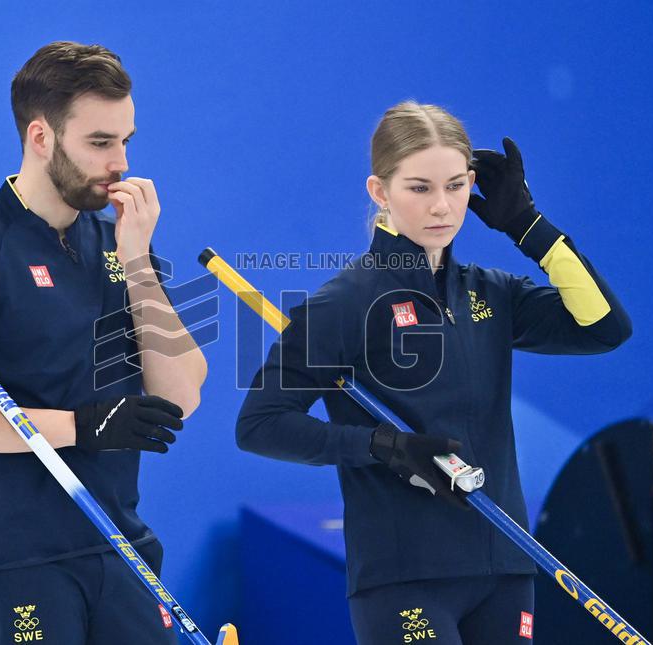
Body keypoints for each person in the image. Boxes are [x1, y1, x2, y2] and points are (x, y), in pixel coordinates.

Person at [235, 101, 631, 644]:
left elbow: (604, 328)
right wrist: (385, 446)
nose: (442, 206)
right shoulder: (345, 303)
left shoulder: (490, 292)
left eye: (456, 185)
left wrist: (529, 227)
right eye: (419, 188)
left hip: (505, 565)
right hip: (405, 575)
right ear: (380, 192)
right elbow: (260, 424)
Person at [0, 41, 206, 644]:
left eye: (126, 140)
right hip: (15, 563)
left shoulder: (120, 243)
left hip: (122, 549)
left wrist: (138, 259)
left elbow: (181, 392)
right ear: (41, 137)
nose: (120, 162)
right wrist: (81, 425)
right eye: (99, 143)